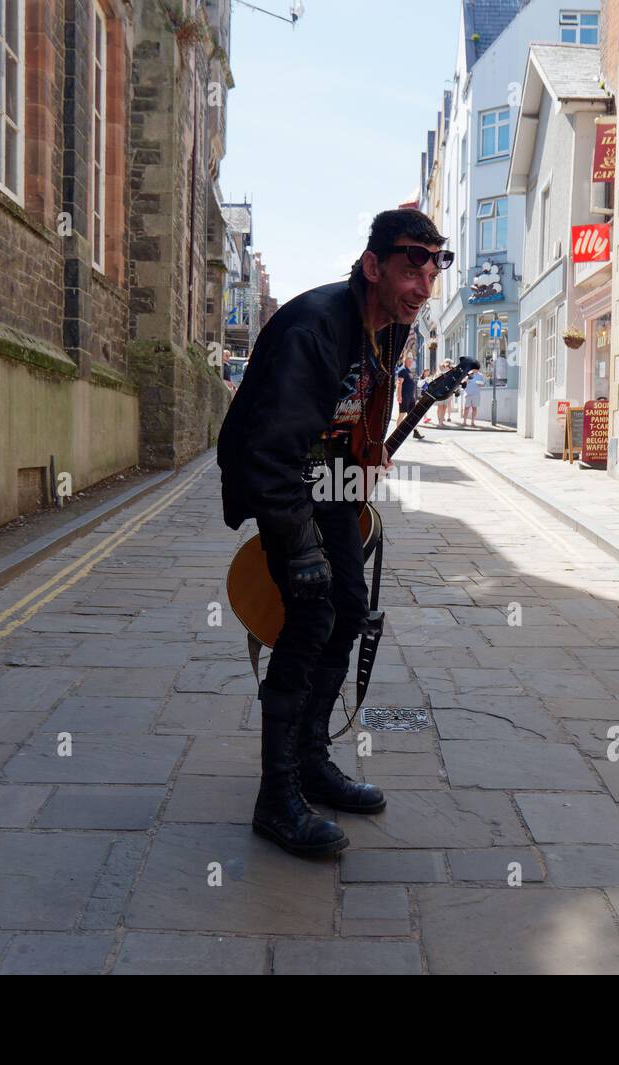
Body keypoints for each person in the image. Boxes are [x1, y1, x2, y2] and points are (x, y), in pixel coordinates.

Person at [217, 209, 452, 859]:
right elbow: (270, 450)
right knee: (309, 613)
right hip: (282, 475)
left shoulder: (393, 324)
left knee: (351, 606)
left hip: (330, 481)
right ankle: (277, 795)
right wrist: (297, 547)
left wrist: (369, 450)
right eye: (411, 264)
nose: (425, 281)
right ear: (373, 265)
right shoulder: (316, 326)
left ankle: (313, 758)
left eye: (435, 265)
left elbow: (362, 407)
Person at [395, 351, 422, 439]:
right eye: (409, 361)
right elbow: (399, 383)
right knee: (402, 415)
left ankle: (416, 432)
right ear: (405, 361)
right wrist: (399, 396)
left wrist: (413, 396)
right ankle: (397, 432)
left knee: (413, 415)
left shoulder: (408, 370)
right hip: (404, 397)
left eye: (411, 361)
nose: (411, 363)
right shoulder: (402, 370)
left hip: (411, 398)